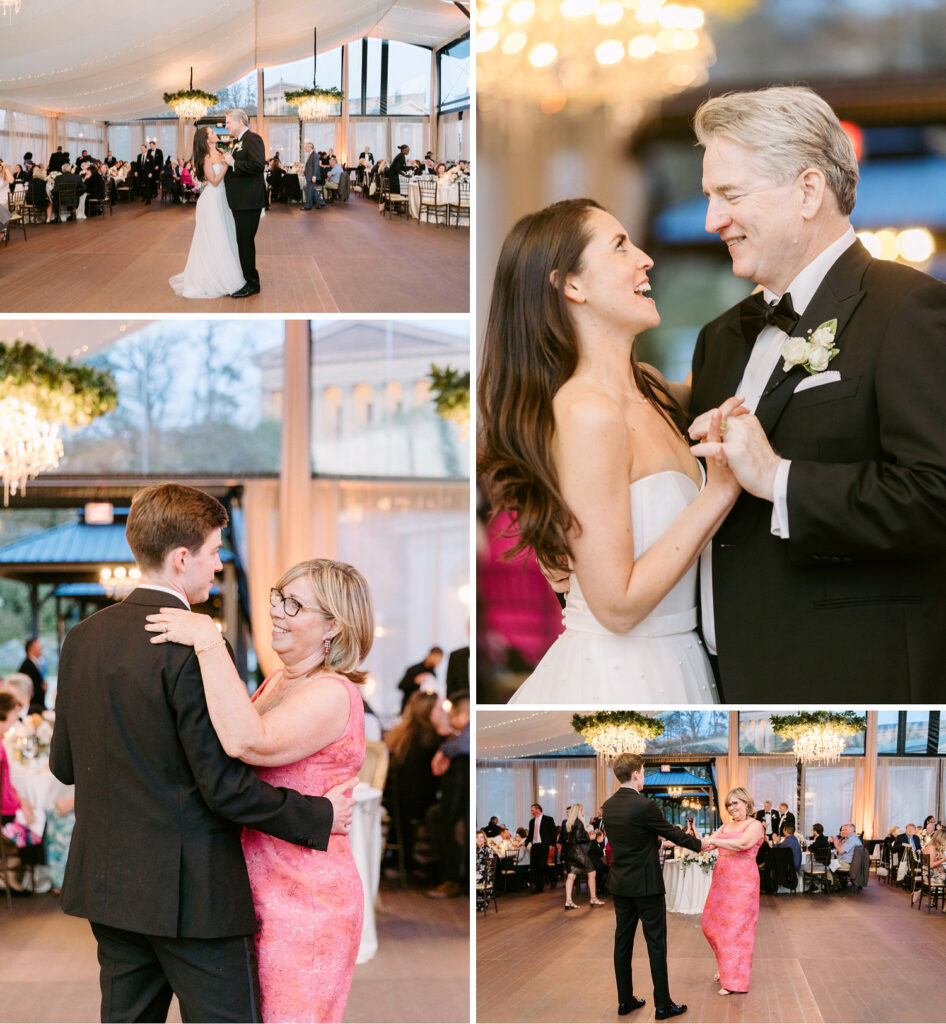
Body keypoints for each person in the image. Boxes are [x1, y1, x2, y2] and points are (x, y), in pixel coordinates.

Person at [50, 484, 355, 1024]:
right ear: (182, 558)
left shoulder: (81, 639)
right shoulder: (192, 646)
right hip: (194, 895)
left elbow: (64, 766)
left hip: (109, 887)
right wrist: (320, 814)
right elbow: (224, 788)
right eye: (215, 551)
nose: (218, 565)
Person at [687, 85, 946, 702]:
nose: (712, 220)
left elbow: (936, 496)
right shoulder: (718, 338)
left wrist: (779, 479)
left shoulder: (909, 310)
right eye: (708, 198)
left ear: (807, 191)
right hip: (720, 680)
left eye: (730, 195)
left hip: (850, 673)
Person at [479, 197, 740, 703]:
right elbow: (616, 605)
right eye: (620, 247)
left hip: (682, 659)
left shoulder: (652, 389)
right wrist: (719, 492)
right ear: (571, 285)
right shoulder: (587, 412)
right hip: (621, 672)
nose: (645, 259)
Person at [145, 555, 371, 1023]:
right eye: (278, 598)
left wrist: (209, 640)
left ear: (333, 627)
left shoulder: (332, 692)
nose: (277, 612)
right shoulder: (277, 681)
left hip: (306, 897)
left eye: (295, 605)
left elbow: (248, 742)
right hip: (256, 887)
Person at [602, 753, 705, 1020]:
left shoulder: (609, 806)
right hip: (646, 886)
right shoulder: (644, 805)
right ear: (636, 773)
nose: (644, 777)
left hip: (620, 884)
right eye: (644, 772)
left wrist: (658, 844)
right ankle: (663, 1005)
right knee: (656, 944)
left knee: (622, 943)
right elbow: (672, 832)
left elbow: (633, 840)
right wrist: (700, 845)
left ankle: (624, 1001)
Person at [701, 787, 764, 996]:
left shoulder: (755, 825)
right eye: (729, 804)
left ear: (746, 803)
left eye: (735, 803)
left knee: (737, 931)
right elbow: (706, 845)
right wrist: (676, 840)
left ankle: (734, 981)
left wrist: (714, 840)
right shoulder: (726, 825)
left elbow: (742, 844)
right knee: (711, 925)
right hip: (721, 882)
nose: (732, 807)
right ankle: (727, 968)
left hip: (743, 882)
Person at [169, 126, 245, 299]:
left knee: (226, 234)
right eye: (211, 133)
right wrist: (227, 165)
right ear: (205, 139)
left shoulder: (220, 150)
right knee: (215, 237)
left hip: (224, 199)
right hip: (212, 200)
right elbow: (215, 181)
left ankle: (226, 271)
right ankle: (215, 278)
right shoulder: (206, 158)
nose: (215, 134)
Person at [383, 689, 445, 873]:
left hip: (394, 801)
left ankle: (399, 859)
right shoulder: (430, 738)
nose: (443, 713)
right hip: (416, 803)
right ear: (429, 712)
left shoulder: (401, 735)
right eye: (439, 709)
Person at [426, 692, 470, 899]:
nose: (451, 720)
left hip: (458, 805)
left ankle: (452, 879)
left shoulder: (463, 740)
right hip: (460, 804)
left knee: (443, 821)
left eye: (453, 716)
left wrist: (443, 750)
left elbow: (465, 745)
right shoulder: (459, 739)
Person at [222, 108, 267, 298]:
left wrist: (233, 163)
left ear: (239, 122)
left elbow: (258, 165)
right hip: (241, 201)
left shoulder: (253, 139)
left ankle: (252, 283)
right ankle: (246, 278)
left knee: (245, 243)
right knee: (242, 242)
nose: (226, 126)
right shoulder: (238, 142)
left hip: (249, 201)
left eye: (228, 122)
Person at [562, 802, 603, 909]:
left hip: (571, 852)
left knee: (571, 876)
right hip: (579, 853)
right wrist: (590, 838)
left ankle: (568, 901)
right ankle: (593, 898)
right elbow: (579, 838)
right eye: (583, 809)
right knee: (592, 873)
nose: (584, 811)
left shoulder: (570, 823)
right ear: (579, 811)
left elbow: (574, 838)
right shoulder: (579, 823)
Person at [397, 646, 444, 710]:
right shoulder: (414, 669)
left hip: (424, 708)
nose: (438, 662)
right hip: (410, 707)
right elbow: (400, 686)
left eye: (440, 660)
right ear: (430, 655)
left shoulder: (433, 674)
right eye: (436, 658)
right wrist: (415, 681)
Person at [525, 802, 557, 893]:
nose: (531, 812)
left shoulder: (548, 819)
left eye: (532, 810)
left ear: (538, 810)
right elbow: (530, 835)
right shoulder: (531, 822)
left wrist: (552, 844)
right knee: (534, 867)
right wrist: (525, 843)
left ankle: (553, 879)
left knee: (542, 866)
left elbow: (553, 833)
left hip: (544, 846)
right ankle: (539, 888)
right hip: (535, 846)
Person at [17, 637, 45, 715]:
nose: (41, 649)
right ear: (30, 649)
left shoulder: (35, 663)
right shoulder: (27, 665)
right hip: (33, 707)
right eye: (38, 647)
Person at [300, 140, 325, 210]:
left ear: (310, 147)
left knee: (310, 191)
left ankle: (308, 206)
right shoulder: (311, 154)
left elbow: (316, 166)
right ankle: (320, 202)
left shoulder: (315, 155)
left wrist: (314, 176)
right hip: (309, 176)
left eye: (306, 147)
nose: (305, 148)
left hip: (311, 176)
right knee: (309, 190)